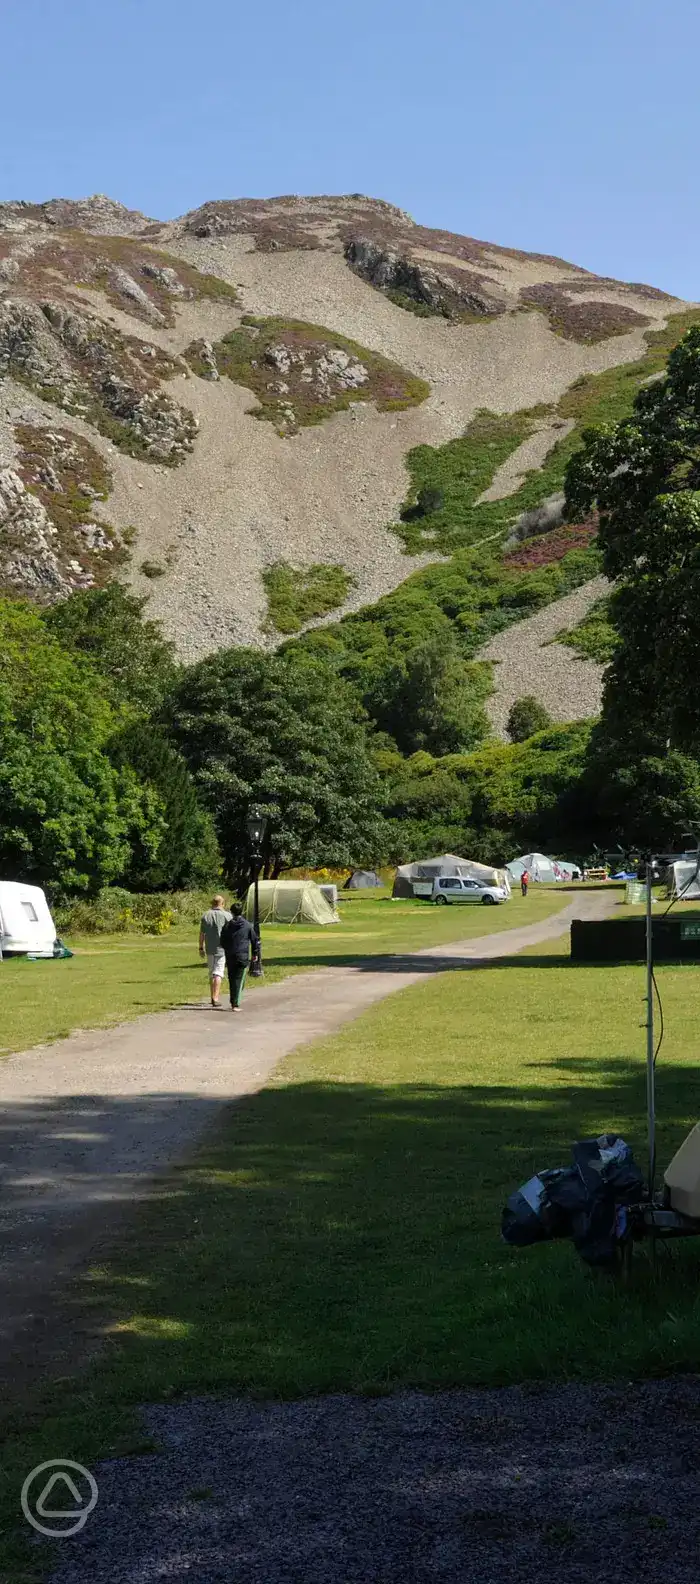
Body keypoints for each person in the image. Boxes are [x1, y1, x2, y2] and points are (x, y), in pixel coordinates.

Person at [220, 903, 260, 1012]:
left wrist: (227, 949)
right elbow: (254, 940)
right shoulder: (247, 925)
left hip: (230, 956)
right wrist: (255, 954)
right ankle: (235, 1003)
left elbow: (222, 940)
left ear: (231, 912)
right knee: (240, 980)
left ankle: (234, 1000)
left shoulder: (227, 925)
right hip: (242, 956)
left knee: (232, 979)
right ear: (242, 912)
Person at [199, 894, 232, 1007]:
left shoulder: (206, 915)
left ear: (212, 903)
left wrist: (200, 947)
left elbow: (202, 934)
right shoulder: (228, 916)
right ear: (222, 904)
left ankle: (212, 996)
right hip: (222, 948)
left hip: (210, 948)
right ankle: (215, 997)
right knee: (218, 973)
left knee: (211, 973)